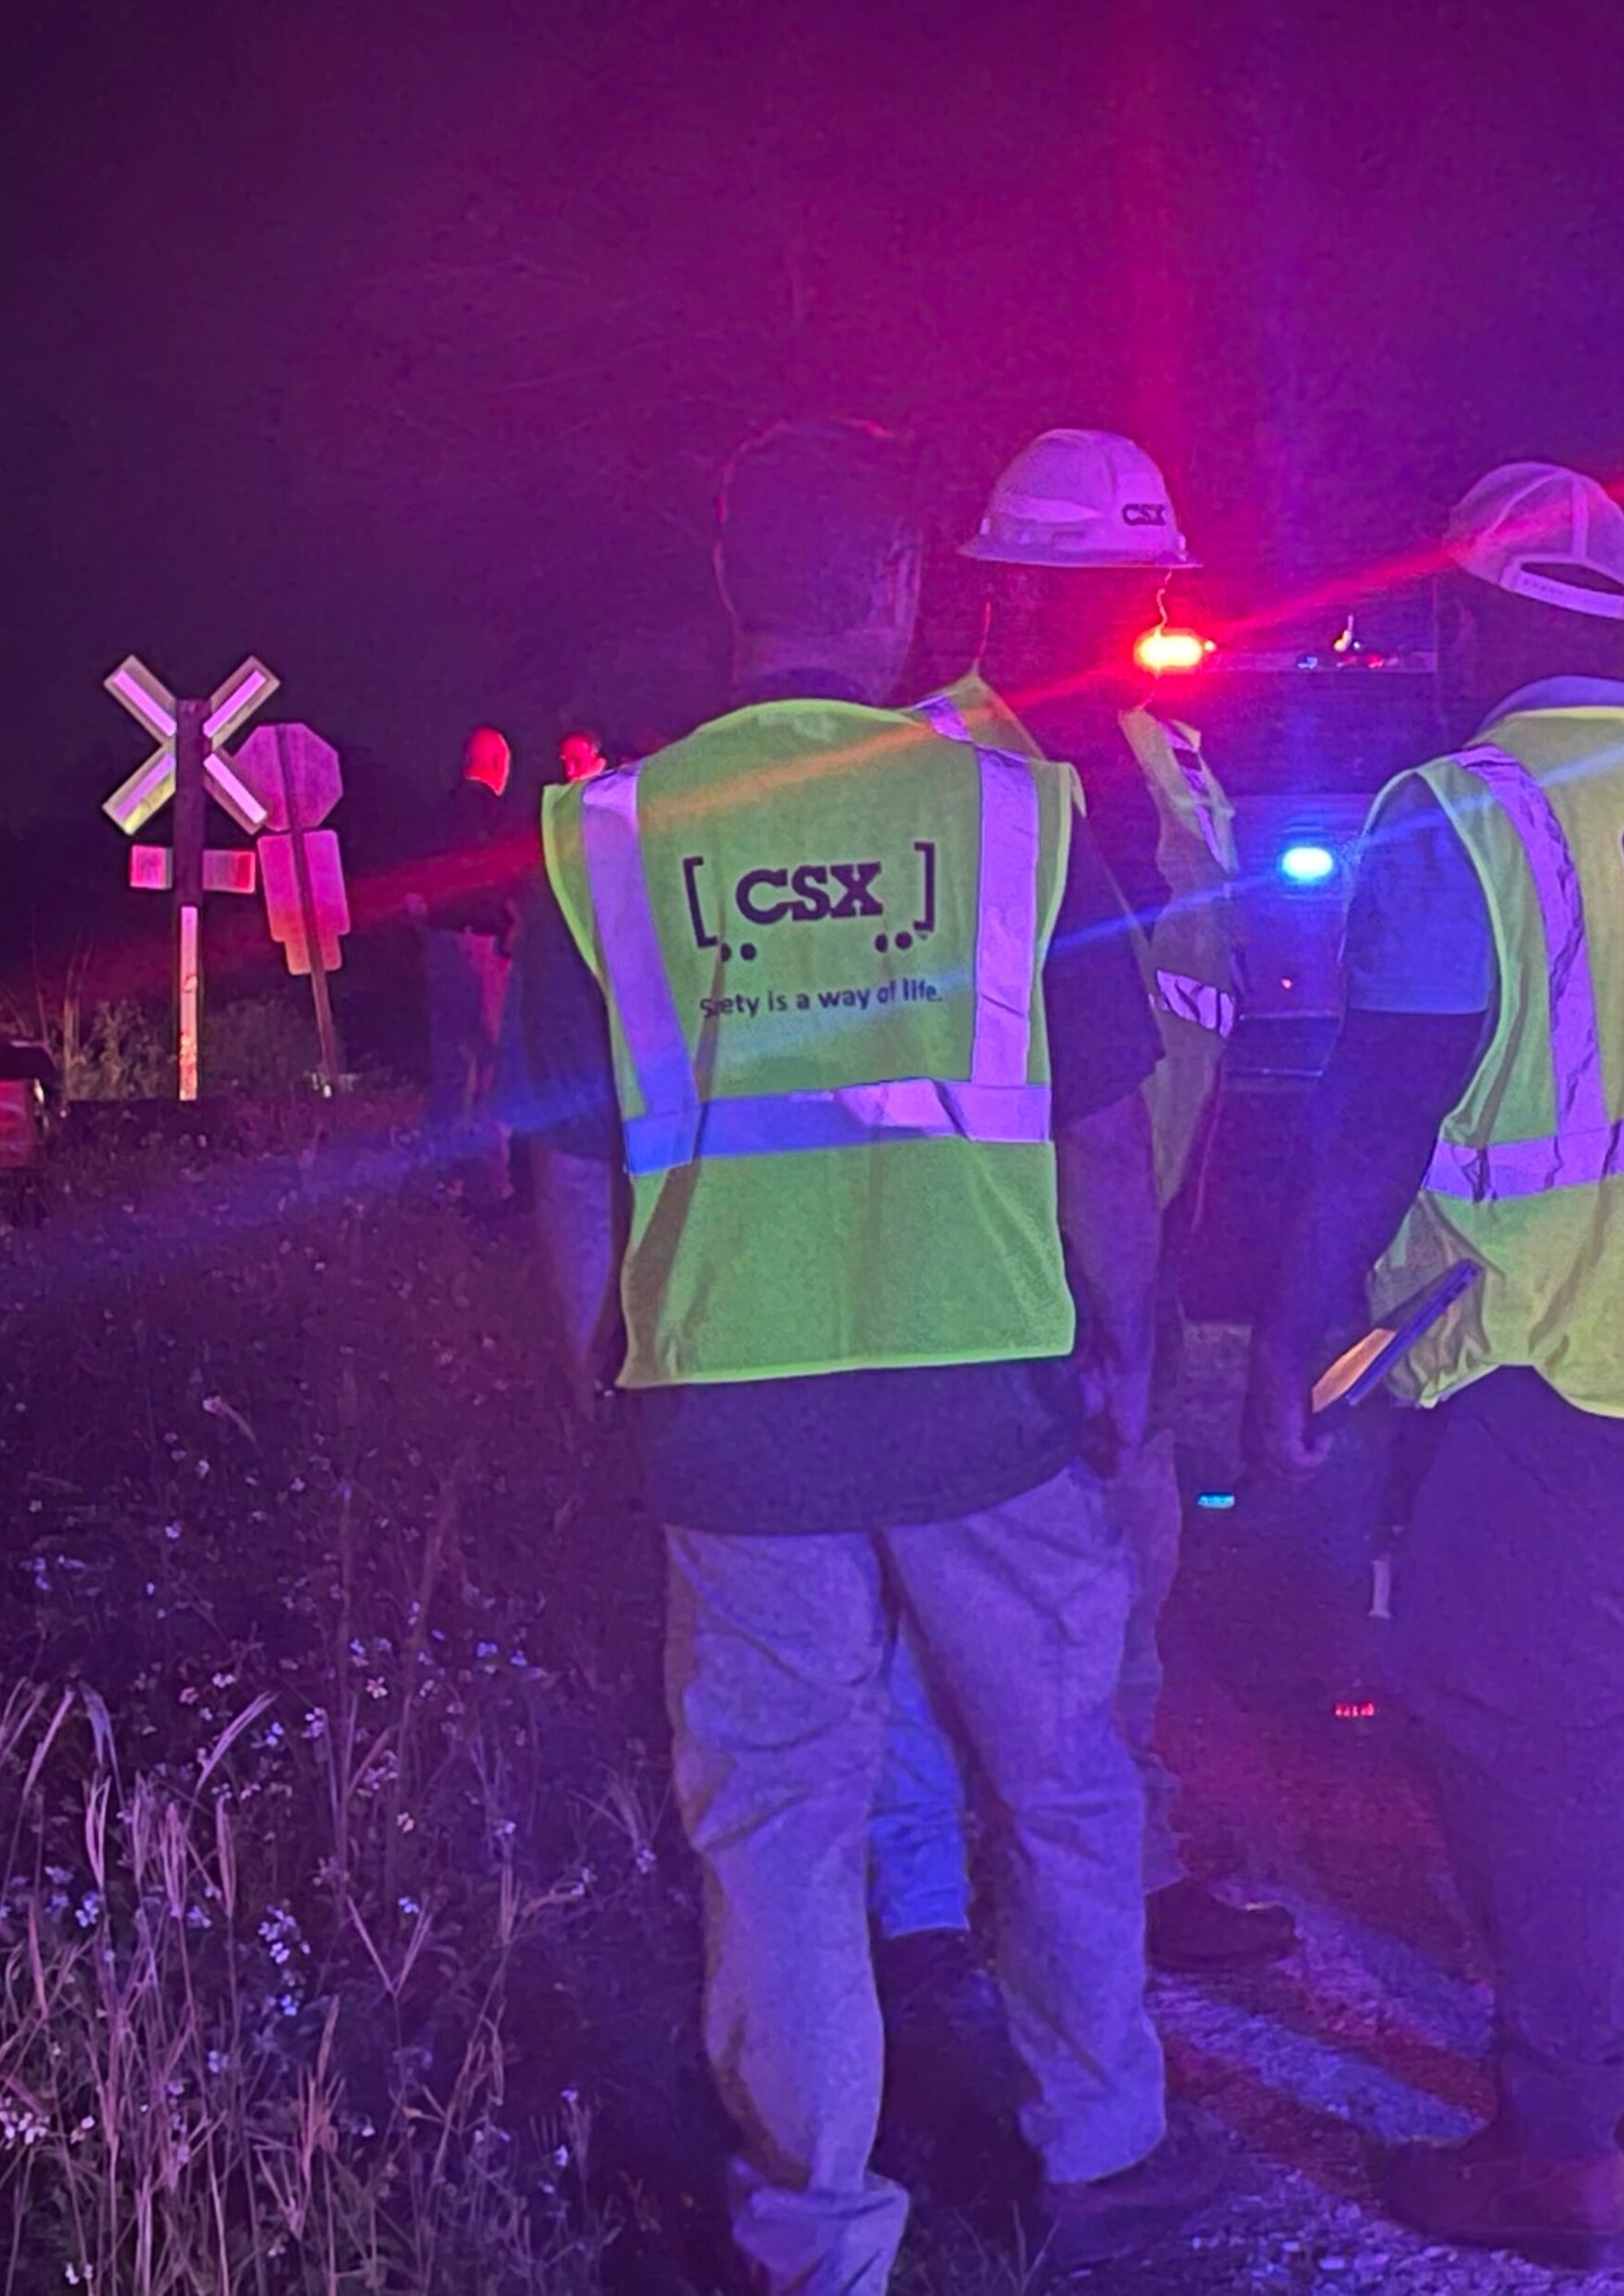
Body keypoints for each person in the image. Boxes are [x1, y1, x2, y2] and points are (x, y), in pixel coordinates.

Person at [495, 417, 1214, 2290]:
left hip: (732, 1416)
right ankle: (1104, 2160)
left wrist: (609, 1381)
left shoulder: (609, 838)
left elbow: (571, 1175)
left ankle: (820, 2223)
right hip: (987, 1396)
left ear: (736, 594)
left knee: (782, 1827)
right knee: (1058, 1783)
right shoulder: (1010, 808)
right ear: (898, 588)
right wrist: (1129, 1354)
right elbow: (1104, 1134)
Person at [1246, 465, 1624, 2270]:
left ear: (1465, 619)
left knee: (1534, 1752)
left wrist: (1293, 1350)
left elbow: (1372, 1129)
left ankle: (1563, 2146)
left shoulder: (1465, 814)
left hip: (1541, 1360)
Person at [876, 427, 1292, 1981]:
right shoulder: (938, 768)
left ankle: (1122, 1874)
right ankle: (936, 1922)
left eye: (1141, 582)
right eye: (1103, 584)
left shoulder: (1161, 754)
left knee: (1129, 1584)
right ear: (1015, 592)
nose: (1131, 609)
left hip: (1131, 1243)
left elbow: (1199, 1006)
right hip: (985, 1261)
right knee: (948, 1625)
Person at [407, 728, 523, 1205]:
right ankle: (492, 1185)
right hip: (486, 948)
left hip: (441, 944)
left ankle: (441, 1178)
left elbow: (412, 892)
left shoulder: (434, 817)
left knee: (451, 1065)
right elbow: (517, 880)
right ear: (498, 764)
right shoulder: (499, 818)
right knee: (495, 1063)